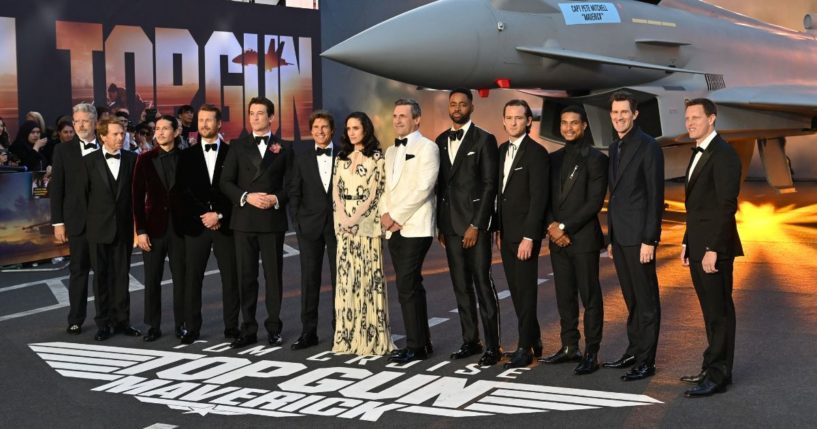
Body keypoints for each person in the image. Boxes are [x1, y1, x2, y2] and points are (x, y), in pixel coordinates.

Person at [680, 98, 743, 397]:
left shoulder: (724, 154)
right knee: (709, 311)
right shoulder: (700, 151)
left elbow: (726, 206)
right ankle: (712, 366)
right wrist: (686, 242)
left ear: (712, 119)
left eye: (696, 117)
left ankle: (718, 376)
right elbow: (697, 207)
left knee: (719, 313)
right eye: (687, 118)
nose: (690, 122)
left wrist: (713, 248)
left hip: (713, 248)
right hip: (698, 244)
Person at [435, 88, 501, 366]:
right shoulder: (438, 140)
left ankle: (493, 346)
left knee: (482, 285)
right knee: (461, 287)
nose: (458, 108)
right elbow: (439, 186)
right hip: (450, 227)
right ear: (449, 108)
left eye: (463, 104)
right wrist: (441, 224)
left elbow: (489, 186)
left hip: (475, 226)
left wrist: (477, 224)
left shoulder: (485, 139)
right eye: (453, 104)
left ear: (472, 107)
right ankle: (470, 340)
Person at [540, 105, 608, 375]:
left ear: (584, 126)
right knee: (564, 296)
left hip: (583, 239)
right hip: (557, 239)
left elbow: (594, 202)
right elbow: (543, 198)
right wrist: (551, 227)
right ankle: (570, 346)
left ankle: (592, 352)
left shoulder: (596, 159)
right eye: (564, 123)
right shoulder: (552, 159)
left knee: (590, 296)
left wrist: (564, 226)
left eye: (574, 123)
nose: (569, 128)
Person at [220, 96, 292, 349]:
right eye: (251, 113)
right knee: (246, 277)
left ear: (271, 117)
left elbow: (291, 186)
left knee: (274, 278)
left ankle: (274, 327)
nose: (255, 117)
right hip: (244, 221)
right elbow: (225, 182)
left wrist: (274, 198)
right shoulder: (237, 146)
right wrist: (246, 196)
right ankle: (248, 328)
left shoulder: (284, 147)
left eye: (260, 113)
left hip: (272, 220)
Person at [603, 91, 664, 381]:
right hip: (620, 238)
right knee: (632, 300)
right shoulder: (614, 146)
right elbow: (615, 197)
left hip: (640, 239)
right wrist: (612, 238)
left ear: (635, 114)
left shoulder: (649, 146)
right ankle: (634, 350)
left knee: (647, 301)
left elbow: (655, 196)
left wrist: (650, 240)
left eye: (624, 112)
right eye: (615, 113)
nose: (618, 117)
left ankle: (646, 361)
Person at [381, 99, 440, 364]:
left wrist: (396, 216)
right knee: (410, 285)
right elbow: (386, 188)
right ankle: (422, 342)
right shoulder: (390, 151)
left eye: (403, 116)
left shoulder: (428, 147)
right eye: (395, 116)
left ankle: (416, 346)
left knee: (406, 284)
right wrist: (385, 215)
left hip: (416, 226)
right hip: (393, 228)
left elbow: (424, 187)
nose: (397, 120)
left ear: (417, 119)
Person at [331, 112, 395, 356]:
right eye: (348, 128)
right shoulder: (341, 157)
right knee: (347, 283)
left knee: (368, 281)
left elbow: (374, 193)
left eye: (356, 128)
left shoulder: (378, 158)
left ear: (366, 129)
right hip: (344, 226)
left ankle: (371, 337)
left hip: (366, 226)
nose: (352, 132)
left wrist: (354, 218)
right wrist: (343, 219)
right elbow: (335, 191)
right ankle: (347, 337)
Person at [177, 104, 239, 344]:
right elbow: (183, 192)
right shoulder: (186, 156)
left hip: (225, 226)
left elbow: (234, 189)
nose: (203, 124)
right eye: (200, 120)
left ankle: (232, 327)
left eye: (208, 120)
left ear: (219, 123)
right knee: (193, 278)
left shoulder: (232, 153)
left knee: (230, 279)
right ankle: (192, 328)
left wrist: (219, 215)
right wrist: (205, 215)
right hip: (197, 226)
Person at [496, 99, 549, 369]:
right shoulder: (501, 150)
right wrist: (497, 228)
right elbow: (500, 195)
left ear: (529, 121)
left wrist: (531, 236)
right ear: (504, 120)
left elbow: (539, 199)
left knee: (526, 292)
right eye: (509, 117)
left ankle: (524, 348)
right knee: (517, 291)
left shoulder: (537, 153)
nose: (514, 122)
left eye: (519, 117)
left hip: (525, 237)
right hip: (506, 234)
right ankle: (535, 338)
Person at [84, 118, 140, 341]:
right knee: (101, 278)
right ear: (103, 136)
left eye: (122, 133)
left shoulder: (132, 159)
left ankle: (122, 321)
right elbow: (82, 196)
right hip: (98, 229)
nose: (120, 137)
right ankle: (103, 323)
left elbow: (136, 196)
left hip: (124, 229)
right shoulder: (89, 161)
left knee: (122, 277)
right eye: (115, 134)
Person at [132, 115, 187, 342]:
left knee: (182, 279)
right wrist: (140, 230)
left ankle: (182, 324)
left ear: (176, 132)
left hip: (182, 229)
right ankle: (153, 325)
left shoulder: (188, 158)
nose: (161, 132)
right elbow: (136, 197)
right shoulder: (144, 159)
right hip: (153, 229)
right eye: (158, 129)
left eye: (166, 128)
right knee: (152, 279)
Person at [288, 110, 338, 350]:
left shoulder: (345, 156)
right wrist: (298, 222)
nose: (320, 131)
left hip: (340, 227)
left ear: (332, 130)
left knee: (341, 280)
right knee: (309, 281)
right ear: (310, 132)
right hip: (309, 228)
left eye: (324, 127)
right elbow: (294, 192)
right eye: (316, 128)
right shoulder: (302, 158)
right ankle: (309, 332)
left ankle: (341, 331)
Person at [49, 103, 100, 335]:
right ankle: (75, 318)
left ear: (95, 123)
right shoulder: (63, 150)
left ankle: (105, 318)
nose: (80, 125)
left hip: (103, 221)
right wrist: (58, 223)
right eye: (76, 121)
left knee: (104, 272)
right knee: (78, 271)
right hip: (76, 221)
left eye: (85, 121)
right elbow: (57, 189)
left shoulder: (106, 147)